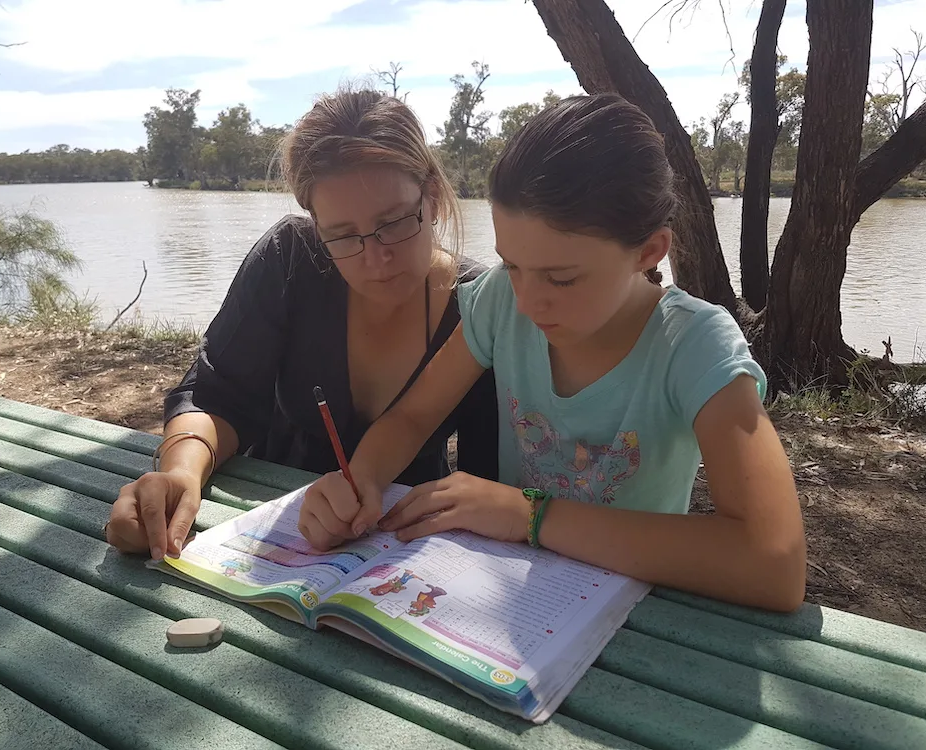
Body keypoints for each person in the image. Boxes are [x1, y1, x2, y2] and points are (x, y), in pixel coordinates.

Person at [300, 93, 807, 613]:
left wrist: (530, 516)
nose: (526, 300)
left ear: (649, 252)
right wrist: (359, 481)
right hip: (516, 605)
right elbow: (411, 417)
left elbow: (774, 562)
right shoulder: (501, 301)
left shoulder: (694, 347)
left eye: (561, 278)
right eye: (512, 265)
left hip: (634, 616)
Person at [105, 89, 499, 561]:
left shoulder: (482, 307)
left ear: (431, 195)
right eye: (343, 235)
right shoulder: (290, 258)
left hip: (400, 548)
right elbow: (218, 394)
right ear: (317, 224)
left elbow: (487, 473)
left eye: (394, 222)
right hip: (259, 528)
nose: (376, 259)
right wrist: (182, 473)